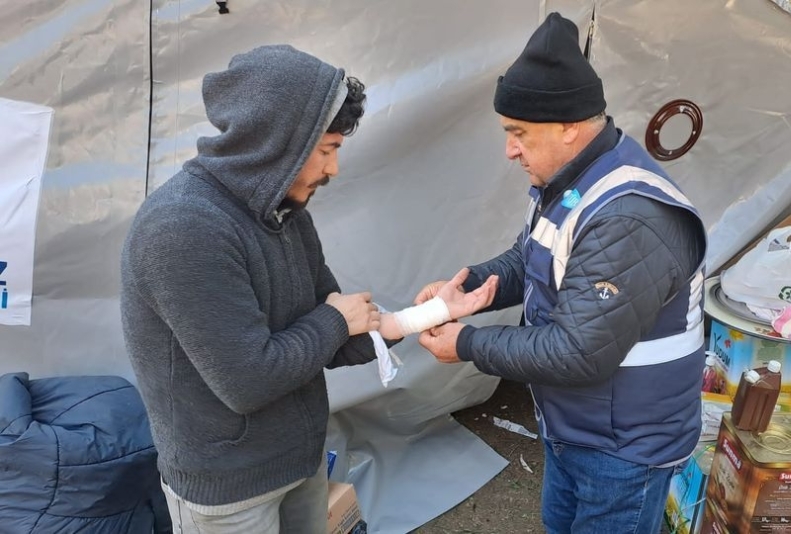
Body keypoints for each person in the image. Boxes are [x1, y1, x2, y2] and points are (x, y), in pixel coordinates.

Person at [120, 45, 495, 534]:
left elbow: (335, 336)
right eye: (326, 150)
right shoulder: (182, 229)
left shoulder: (286, 215)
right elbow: (248, 382)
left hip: (300, 458)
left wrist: (428, 315)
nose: (333, 170)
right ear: (277, 144)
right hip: (229, 490)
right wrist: (335, 319)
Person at [416, 13, 708, 534]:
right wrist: (467, 291)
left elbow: (578, 353)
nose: (509, 149)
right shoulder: (572, 180)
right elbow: (531, 260)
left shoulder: (627, 217)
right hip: (580, 424)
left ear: (569, 126)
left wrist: (466, 343)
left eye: (518, 133)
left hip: (623, 446)